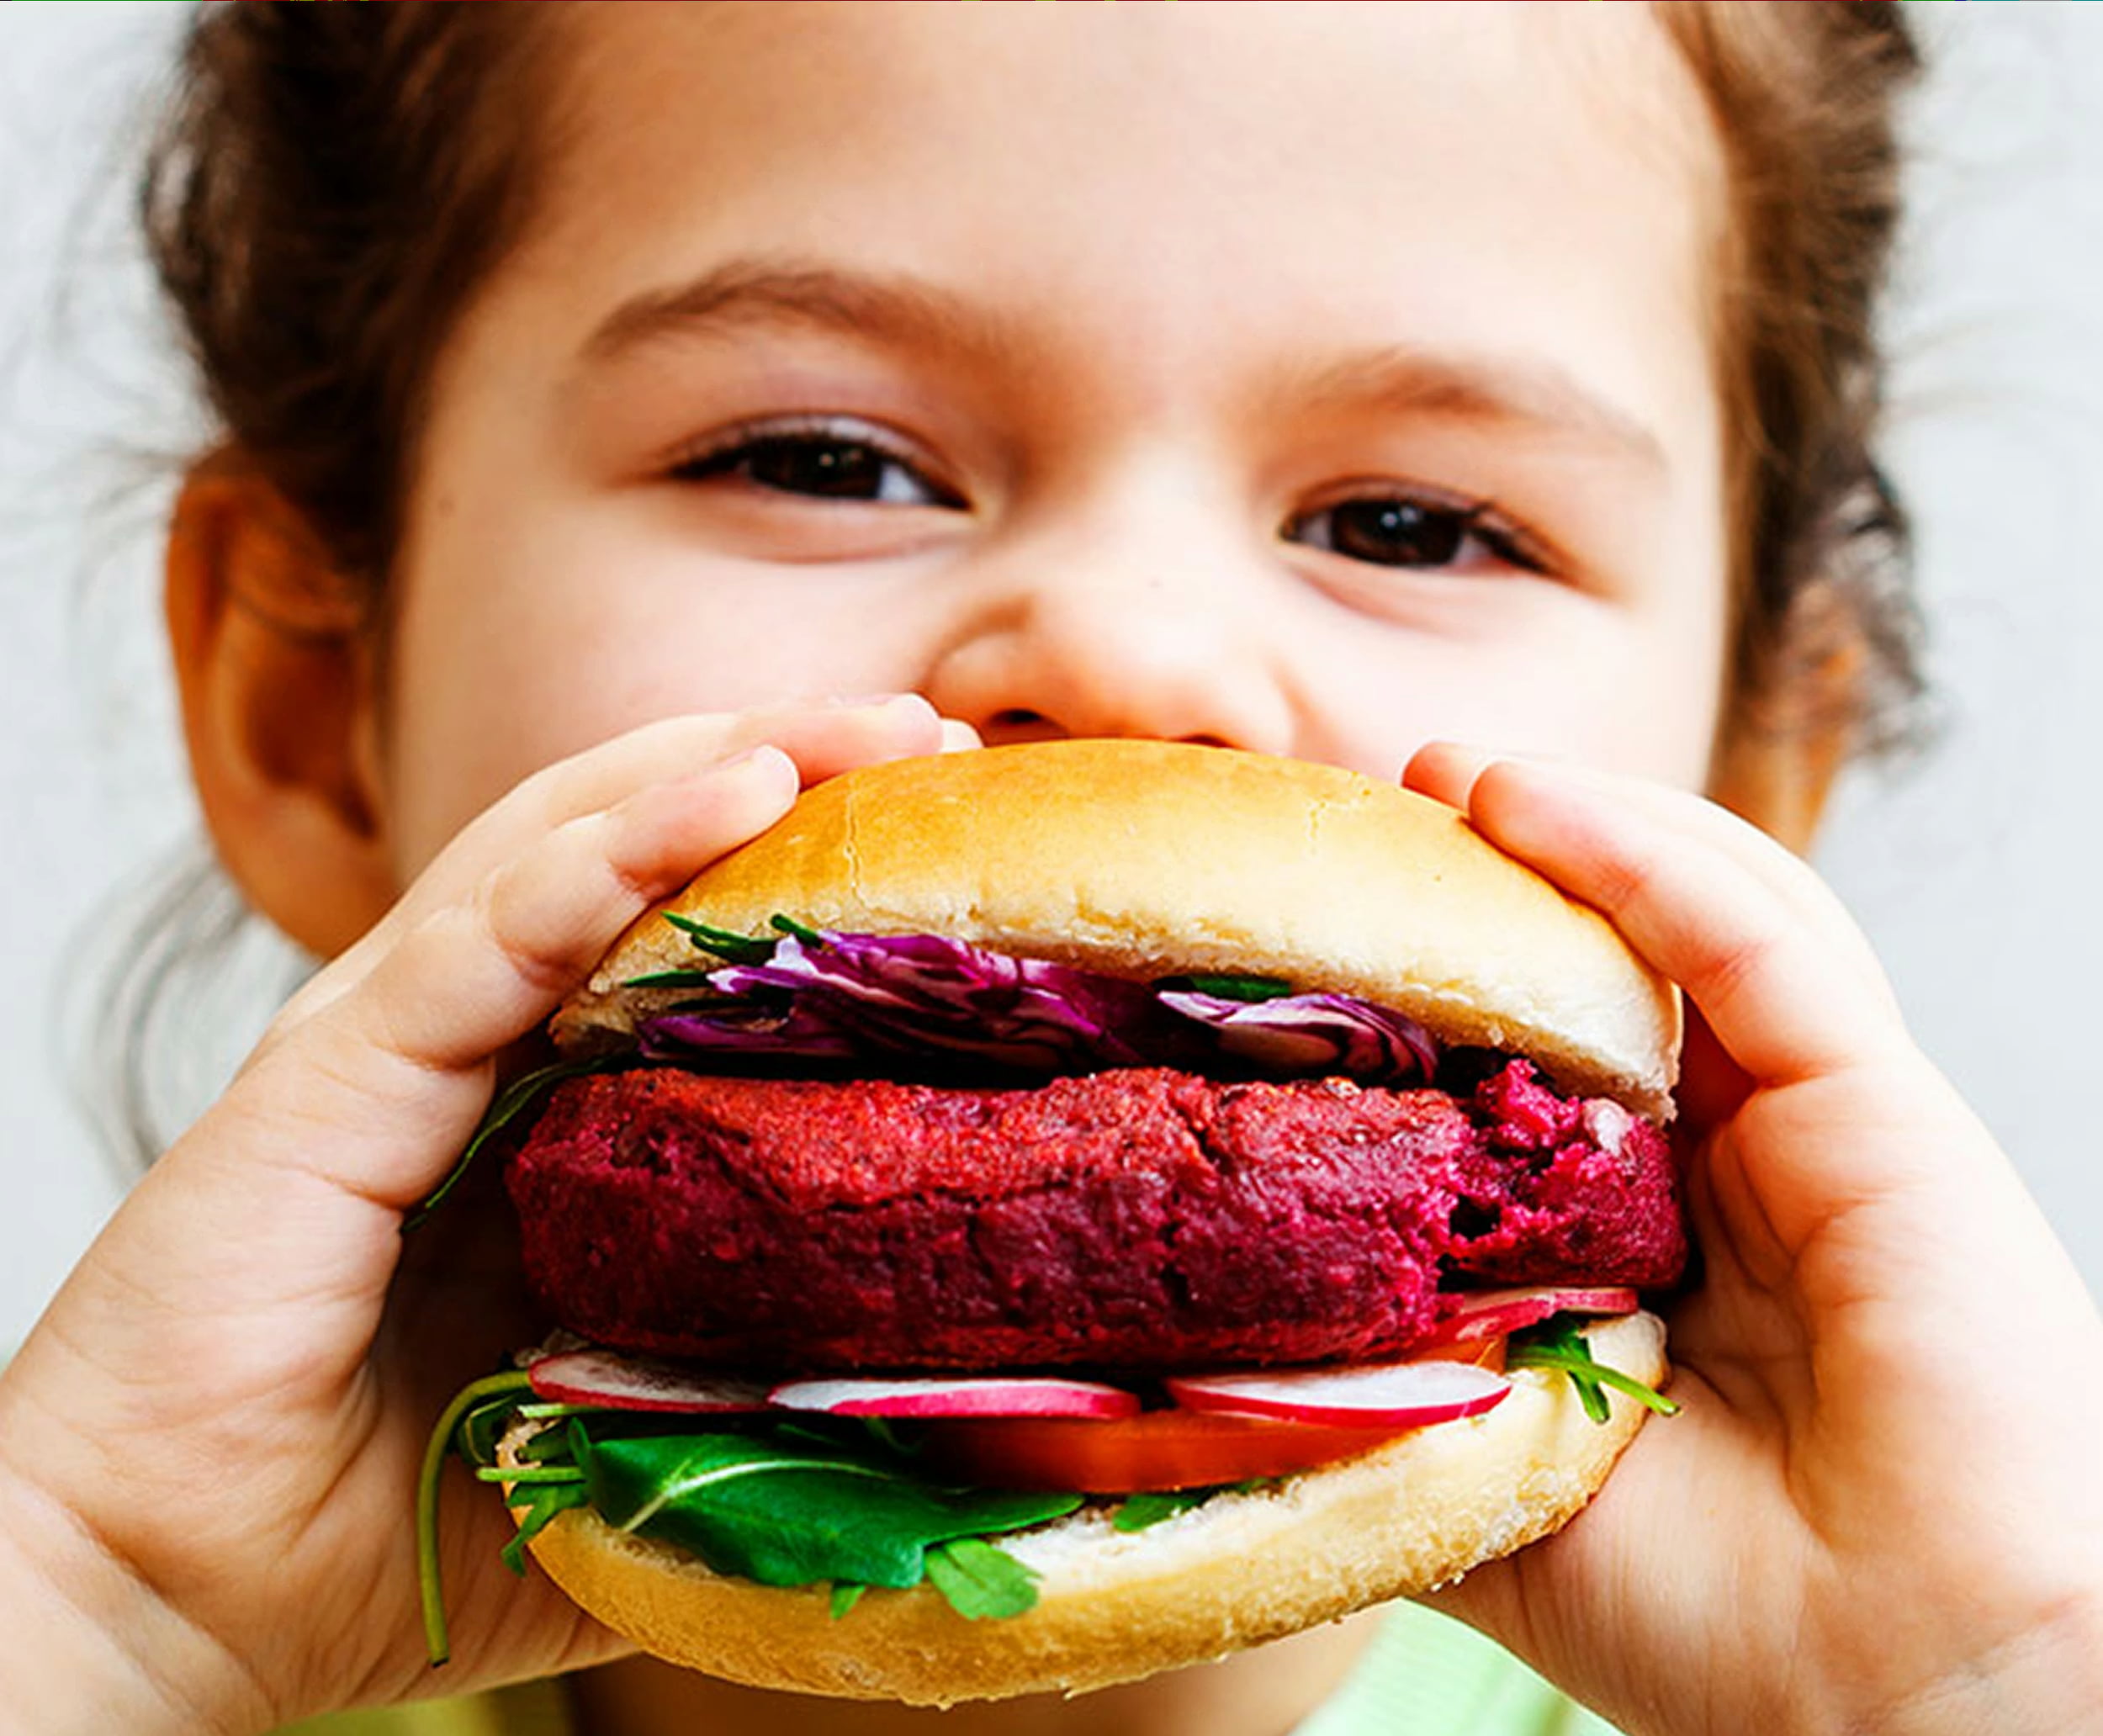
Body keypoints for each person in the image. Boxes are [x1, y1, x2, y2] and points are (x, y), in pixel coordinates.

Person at [3, 4, 2099, 1733]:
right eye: (823, 461)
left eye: (1415, 524)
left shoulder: (1888, 1685)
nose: (1124, 648)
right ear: (306, 703)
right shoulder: (106, 1622)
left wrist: (1970, 1687)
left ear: (1755, 778)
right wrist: (110, 1631)